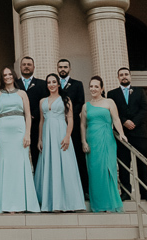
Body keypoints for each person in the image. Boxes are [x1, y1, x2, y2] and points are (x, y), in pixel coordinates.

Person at [34, 73, 85, 212]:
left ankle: (70, 202)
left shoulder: (66, 99)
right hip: (47, 134)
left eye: (53, 82)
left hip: (61, 132)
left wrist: (67, 136)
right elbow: (41, 121)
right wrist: (40, 139)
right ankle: (52, 203)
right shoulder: (42, 101)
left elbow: (70, 119)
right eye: (48, 82)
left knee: (65, 164)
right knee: (50, 164)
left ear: (58, 84)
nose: (51, 85)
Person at [0, 66, 40, 213]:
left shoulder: (22, 93)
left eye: (9, 74)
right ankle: (7, 204)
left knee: (20, 165)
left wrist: (27, 134)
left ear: (13, 76)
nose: (7, 77)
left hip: (19, 131)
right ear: (2, 78)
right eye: (5, 75)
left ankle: (21, 204)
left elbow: (28, 115)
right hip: (3, 132)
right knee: (5, 165)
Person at [81, 76, 126, 213]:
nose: (93, 89)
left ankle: (110, 203)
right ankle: (99, 205)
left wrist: (122, 133)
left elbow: (116, 119)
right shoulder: (86, 106)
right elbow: (83, 125)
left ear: (102, 88)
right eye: (91, 86)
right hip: (92, 141)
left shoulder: (109, 102)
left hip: (106, 139)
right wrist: (83, 141)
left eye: (96, 86)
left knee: (108, 169)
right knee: (95, 171)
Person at [107, 67, 147, 201]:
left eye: (126, 74)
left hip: (139, 133)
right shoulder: (112, 94)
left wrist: (134, 122)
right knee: (124, 164)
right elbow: (112, 112)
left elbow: (145, 109)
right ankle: (125, 191)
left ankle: (145, 192)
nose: (124, 76)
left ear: (130, 76)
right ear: (118, 78)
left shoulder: (140, 92)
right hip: (122, 134)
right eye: (121, 75)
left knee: (142, 163)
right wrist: (124, 121)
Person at [57, 58, 88, 196]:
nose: (63, 69)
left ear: (69, 69)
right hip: (57, 124)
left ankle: (84, 189)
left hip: (73, 124)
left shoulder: (77, 84)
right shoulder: (54, 84)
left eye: (65, 67)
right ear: (57, 69)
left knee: (78, 155)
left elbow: (80, 102)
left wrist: (68, 116)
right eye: (60, 67)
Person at [15, 56, 49, 167]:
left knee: (37, 155)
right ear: (20, 67)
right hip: (18, 124)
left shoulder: (42, 84)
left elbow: (45, 102)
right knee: (19, 154)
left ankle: (37, 177)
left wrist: (33, 115)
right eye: (24, 64)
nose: (26, 67)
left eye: (29, 64)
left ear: (34, 67)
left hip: (36, 124)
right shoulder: (14, 84)